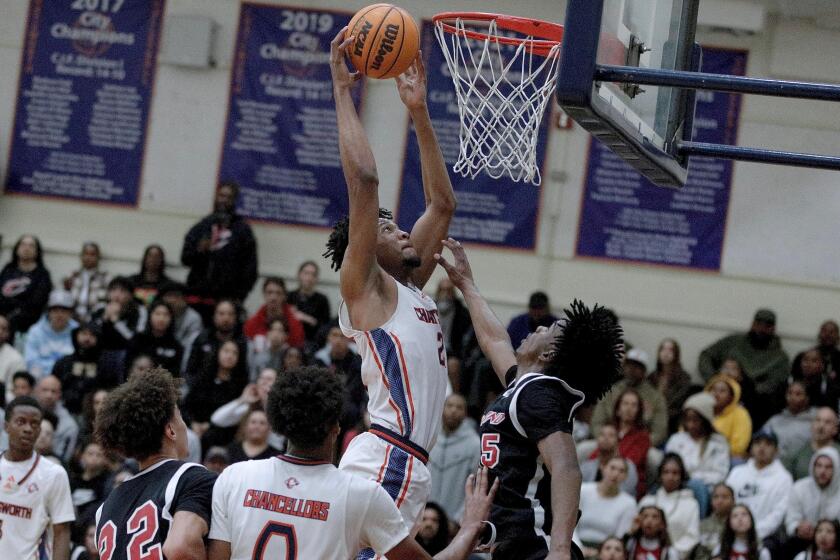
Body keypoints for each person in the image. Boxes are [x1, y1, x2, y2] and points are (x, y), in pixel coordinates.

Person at [325, 28, 458, 552]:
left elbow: (442, 205)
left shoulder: (412, 289)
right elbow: (363, 178)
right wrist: (342, 89)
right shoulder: (365, 290)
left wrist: (419, 112)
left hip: (405, 460)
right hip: (387, 455)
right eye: (386, 229)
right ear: (362, 248)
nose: (402, 230)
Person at [435, 237, 624, 560]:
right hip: (513, 542)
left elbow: (566, 467)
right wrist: (467, 286)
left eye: (550, 330)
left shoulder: (538, 394)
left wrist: (561, 548)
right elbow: (494, 340)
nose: (539, 329)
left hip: (536, 545)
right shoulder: (522, 387)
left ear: (549, 352)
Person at [207, 365, 498, 560]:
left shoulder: (234, 477)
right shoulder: (361, 494)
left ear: (278, 424)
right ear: (335, 428)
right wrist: (470, 527)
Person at [93, 367, 216, 560]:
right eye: (181, 418)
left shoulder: (107, 505)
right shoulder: (191, 477)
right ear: (171, 430)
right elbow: (180, 548)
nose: (184, 426)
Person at [0, 396, 74, 560]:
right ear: (6, 426)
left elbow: (61, 532)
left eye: (34, 423)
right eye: (21, 421)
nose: (28, 429)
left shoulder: (54, 474)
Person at [181, 181, 258, 322]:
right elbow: (185, 259)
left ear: (234, 201)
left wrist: (239, 297)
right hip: (197, 298)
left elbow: (250, 269)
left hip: (226, 302)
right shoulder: (202, 226)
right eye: (221, 196)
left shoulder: (243, 231)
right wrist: (199, 250)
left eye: (229, 197)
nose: (224, 200)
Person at [698, 309, 789, 427]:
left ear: (773, 329)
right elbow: (706, 355)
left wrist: (747, 388)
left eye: (767, 326)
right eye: (758, 324)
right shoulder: (733, 342)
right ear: (752, 324)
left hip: (753, 401)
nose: (761, 329)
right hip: (719, 389)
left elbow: (775, 383)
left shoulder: (779, 357)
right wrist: (713, 379)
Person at [665, 392, 730, 514]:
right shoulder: (676, 439)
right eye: (687, 420)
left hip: (709, 487)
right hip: (679, 483)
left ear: (705, 420)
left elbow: (720, 473)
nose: (691, 425)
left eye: (695, 420)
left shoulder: (718, 442)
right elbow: (669, 465)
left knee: (697, 485)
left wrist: (694, 478)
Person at [591, 348, 669, 446]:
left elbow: (659, 431)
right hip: (608, 441)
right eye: (629, 365)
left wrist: (641, 445)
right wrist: (605, 439)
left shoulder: (656, 397)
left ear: (644, 371)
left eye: (637, 366)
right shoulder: (611, 391)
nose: (632, 369)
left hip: (639, 444)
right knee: (583, 448)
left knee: (655, 457)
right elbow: (597, 422)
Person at [725, 431, 793, 542]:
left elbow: (778, 514)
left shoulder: (784, 478)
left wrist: (752, 533)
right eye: (757, 443)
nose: (762, 447)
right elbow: (727, 504)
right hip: (733, 532)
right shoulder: (737, 472)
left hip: (765, 537)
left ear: (776, 450)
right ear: (751, 448)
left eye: (768, 444)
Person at [428, 393, 481, 522]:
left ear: (465, 413)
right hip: (425, 519)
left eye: (459, 407)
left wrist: (459, 520)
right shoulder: (430, 438)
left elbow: (475, 485)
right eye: (449, 405)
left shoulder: (474, 444)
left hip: (454, 521)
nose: (453, 410)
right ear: (442, 408)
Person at [51, 323, 121, 415]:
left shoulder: (107, 364)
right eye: (84, 334)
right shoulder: (64, 362)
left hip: (95, 412)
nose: (87, 338)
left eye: (92, 335)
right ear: (76, 336)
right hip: (64, 410)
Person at [640, 453, 700, 559]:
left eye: (675, 473)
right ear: (660, 475)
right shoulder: (647, 501)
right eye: (666, 472)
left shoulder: (691, 504)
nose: (670, 477)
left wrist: (670, 553)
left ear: (682, 476)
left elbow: (692, 536)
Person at [210, 367, 284, 450]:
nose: (264, 382)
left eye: (269, 379)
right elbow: (217, 419)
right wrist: (242, 399)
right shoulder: (249, 407)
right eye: (261, 378)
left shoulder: (282, 409)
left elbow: (278, 442)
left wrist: (268, 402)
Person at [575, 457, 637, 557]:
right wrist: (578, 547)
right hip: (575, 545)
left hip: (607, 553)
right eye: (612, 468)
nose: (616, 474)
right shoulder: (583, 490)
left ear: (626, 476)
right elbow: (570, 526)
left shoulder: (629, 503)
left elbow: (619, 537)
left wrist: (602, 553)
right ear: (603, 468)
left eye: (621, 471)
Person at [785, 447, 840, 557]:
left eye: (828, 467)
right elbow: (791, 520)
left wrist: (829, 532)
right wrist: (798, 528)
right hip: (806, 540)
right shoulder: (799, 488)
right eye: (819, 466)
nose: (822, 471)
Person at [185, 299, 248, 390]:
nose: (226, 318)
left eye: (230, 314)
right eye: (221, 313)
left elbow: (243, 374)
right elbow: (190, 370)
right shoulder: (202, 338)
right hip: (199, 389)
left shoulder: (242, 342)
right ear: (214, 316)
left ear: (236, 317)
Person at [0, 234, 53, 336]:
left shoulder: (42, 275)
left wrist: (9, 319)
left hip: (26, 326)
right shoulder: (8, 269)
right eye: (23, 244)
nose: (26, 248)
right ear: (17, 249)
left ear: (37, 251)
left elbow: (35, 304)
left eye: (31, 245)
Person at [24, 290, 78, 379]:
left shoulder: (77, 331)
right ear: (48, 312)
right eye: (55, 310)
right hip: (40, 380)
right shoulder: (35, 331)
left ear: (71, 313)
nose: (59, 315)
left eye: (64, 310)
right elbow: (31, 361)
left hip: (68, 379)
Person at [762, 380, 817, 463]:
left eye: (798, 394)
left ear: (807, 398)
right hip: (775, 465)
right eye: (789, 393)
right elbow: (760, 441)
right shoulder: (775, 421)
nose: (792, 397)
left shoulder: (816, 421)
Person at [89, 276, 147, 351]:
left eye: (122, 291)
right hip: (102, 350)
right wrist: (104, 318)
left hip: (127, 351)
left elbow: (135, 340)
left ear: (130, 295)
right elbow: (91, 334)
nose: (116, 295)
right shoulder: (100, 307)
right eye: (113, 290)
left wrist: (116, 321)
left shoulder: (139, 310)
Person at [580, 424, 639, 497]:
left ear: (618, 441)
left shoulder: (628, 466)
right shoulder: (587, 466)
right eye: (602, 435)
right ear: (597, 440)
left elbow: (627, 492)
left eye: (611, 435)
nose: (606, 438)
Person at [126, 300, 183, 376]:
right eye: (157, 314)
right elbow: (127, 367)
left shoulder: (176, 346)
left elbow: (176, 374)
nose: (161, 318)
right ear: (150, 316)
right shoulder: (138, 339)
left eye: (166, 315)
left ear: (171, 318)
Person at [649, 339, 694, 434]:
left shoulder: (684, 379)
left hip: (672, 422)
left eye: (670, 350)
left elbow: (679, 404)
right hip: (650, 419)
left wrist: (660, 414)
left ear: (676, 354)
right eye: (663, 349)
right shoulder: (651, 377)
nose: (666, 353)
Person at [705, 374, 752, 459]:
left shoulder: (740, 414)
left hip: (726, 457)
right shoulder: (700, 410)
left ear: (731, 397)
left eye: (722, 391)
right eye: (713, 389)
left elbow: (739, 446)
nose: (716, 394)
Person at [785, 407, 840, 480]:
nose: (821, 426)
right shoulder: (798, 452)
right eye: (818, 420)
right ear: (811, 425)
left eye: (827, 422)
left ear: (835, 429)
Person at [287, 260, 331, 349]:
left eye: (313, 274)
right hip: (290, 339)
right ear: (299, 275)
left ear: (317, 278)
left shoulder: (322, 300)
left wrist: (307, 319)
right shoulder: (289, 296)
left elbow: (326, 326)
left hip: (313, 342)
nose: (309, 277)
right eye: (306, 273)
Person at [34, 375, 78, 463]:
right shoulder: (24, 411)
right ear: (36, 391)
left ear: (59, 395)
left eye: (53, 391)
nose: (49, 395)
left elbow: (63, 459)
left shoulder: (69, 425)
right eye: (45, 390)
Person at [157, 281, 204, 364]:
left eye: (176, 296)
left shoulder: (193, 318)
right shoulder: (158, 313)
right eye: (169, 296)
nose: (172, 300)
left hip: (182, 357)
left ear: (184, 298)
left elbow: (191, 346)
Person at [63, 242, 109, 323]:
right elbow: (65, 299)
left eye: (92, 254)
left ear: (98, 257)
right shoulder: (72, 276)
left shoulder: (105, 278)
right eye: (86, 254)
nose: (88, 257)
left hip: (95, 320)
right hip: (72, 318)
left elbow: (106, 303)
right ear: (81, 257)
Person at [436, 277, 471, 359]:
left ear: (453, 293)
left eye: (448, 291)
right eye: (442, 290)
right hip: (432, 350)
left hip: (452, 353)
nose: (445, 294)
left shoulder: (462, 314)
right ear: (438, 292)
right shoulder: (429, 309)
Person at [697, 484, 735, 556]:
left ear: (733, 501)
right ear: (711, 501)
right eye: (716, 497)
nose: (720, 501)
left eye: (725, 497)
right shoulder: (702, 525)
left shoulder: (738, 524)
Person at [0, 312, 26, 402]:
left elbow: (14, 392)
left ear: (8, 333)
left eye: (3, 328)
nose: (0, 331)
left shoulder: (16, 358)